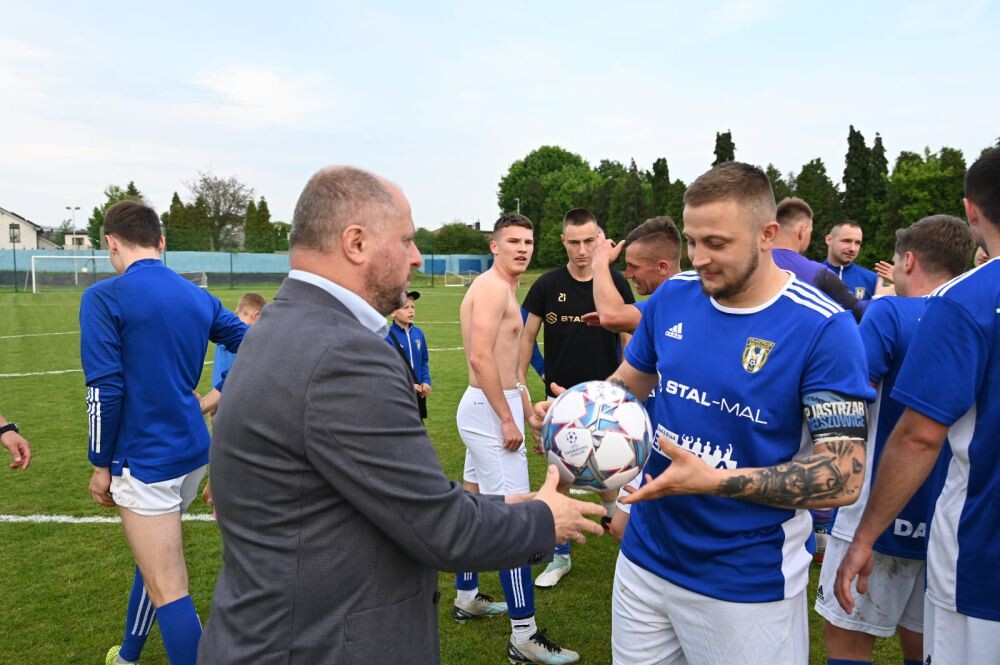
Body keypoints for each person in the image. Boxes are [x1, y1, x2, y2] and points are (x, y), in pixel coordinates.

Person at [198, 166, 605, 665]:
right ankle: (523, 631)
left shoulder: (282, 323)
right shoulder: (344, 354)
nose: (416, 257)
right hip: (319, 645)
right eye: (408, 240)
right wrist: (543, 517)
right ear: (356, 243)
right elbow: (442, 529)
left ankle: (477, 600)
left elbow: (381, 493)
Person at [530, 162, 873, 665]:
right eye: (692, 242)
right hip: (644, 563)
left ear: (767, 235)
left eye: (717, 243)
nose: (700, 258)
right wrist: (573, 412)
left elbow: (843, 475)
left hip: (744, 582)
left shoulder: (824, 327)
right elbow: (628, 385)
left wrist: (715, 481)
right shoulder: (674, 297)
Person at [836, 148, 1000, 665]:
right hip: (947, 529)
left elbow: (915, 432)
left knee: (853, 636)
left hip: (976, 547)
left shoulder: (959, 303)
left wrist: (863, 534)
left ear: (972, 210)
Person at [80, 201, 248, 665]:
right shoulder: (196, 295)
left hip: (145, 461)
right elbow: (256, 345)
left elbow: (104, 389)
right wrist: (218, 394)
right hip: (194, 455)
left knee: (169, 587)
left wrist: (99, 463)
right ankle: (129, 653)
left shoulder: (104, 296)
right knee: (154, 561)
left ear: (111, 244)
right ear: (161, 242)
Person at [814, 215, 973, 665]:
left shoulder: (889, 311)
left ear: (908, 260)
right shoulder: (973, 315)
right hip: (945, 516)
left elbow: (848, 392)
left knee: (847, 641)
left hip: (875, 508)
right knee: (926, 645)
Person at [455, 212, 580, 664]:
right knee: (514, 518)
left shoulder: (505, 289)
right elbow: (480, 358)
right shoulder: (490, 288)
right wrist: (507, 419)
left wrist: (526, 411)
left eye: (528, 241)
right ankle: (523, 637)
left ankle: (466, 595)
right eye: (513, 241)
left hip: (493, 407)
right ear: (494, 245)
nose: (523, 248)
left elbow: (510, 366)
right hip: (487, 412)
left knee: (474, 502)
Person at [520, 207, 635, 588]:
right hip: (561, 401)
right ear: (563, 242)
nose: (582, 250)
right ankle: (559, 557)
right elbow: (525, 337)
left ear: (600, 240)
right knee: (560, 477)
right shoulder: (547, 285)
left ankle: (630, 545)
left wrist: (627, 391)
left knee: (612, 474)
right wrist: (525, 380)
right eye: (574, 242)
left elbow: (629, 339)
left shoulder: (614, 282)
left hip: (607, 398)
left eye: (589, 241)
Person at [581, 216, 683, 541]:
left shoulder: (674, 303)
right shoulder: (663, 305)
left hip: (673, 439)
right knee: (625, 526)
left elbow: (611, 314)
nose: (628, 274)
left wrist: (599, 262)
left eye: (633, 266)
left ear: (663, 267)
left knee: (630, 526)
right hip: (653, 431)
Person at [773, 198, 868, 322]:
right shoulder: (818, 273)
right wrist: (883, 298)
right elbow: (859, 310)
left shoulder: (749, 264)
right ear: (802, 231)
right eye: (810, 232)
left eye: (857, 243)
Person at [202, 292, 266, 413]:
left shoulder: (225, 339)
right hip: (231, 401)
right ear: (256, 315)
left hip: (221, 399)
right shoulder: (245, 342)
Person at [385, 290, 432, 419]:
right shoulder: (387, 337)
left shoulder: (419, 334)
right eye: (406, 307)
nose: (411, 311)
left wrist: (426, 381)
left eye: (412, 307)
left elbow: (424, 361)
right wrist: (406, 385)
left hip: (417, 396)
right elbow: (387, 370)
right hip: (398, 394)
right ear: (393, 312)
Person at [824, 220, 879, 301]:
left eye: (857, 243)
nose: (852, 249)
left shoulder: (873, 280)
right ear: (829, 240)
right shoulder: (811, 275)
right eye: (846, 241)